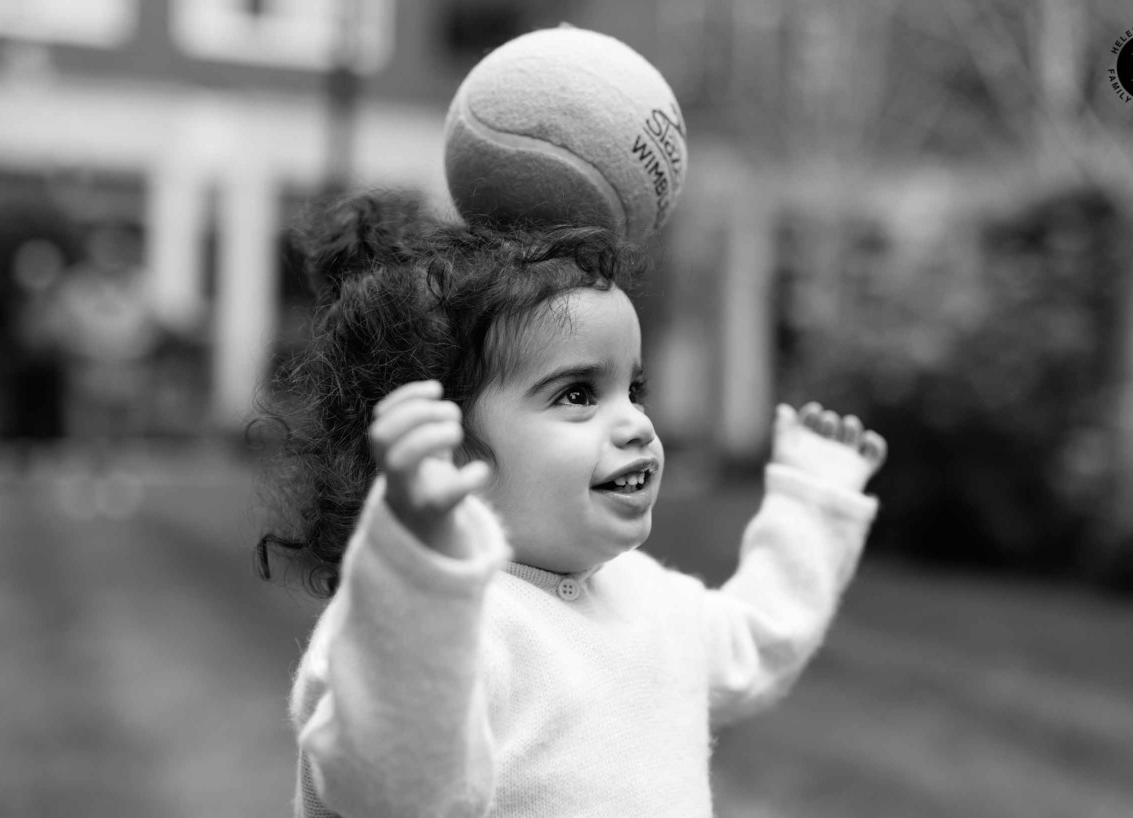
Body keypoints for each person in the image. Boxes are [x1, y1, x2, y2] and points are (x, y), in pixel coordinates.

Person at [254, 192, 887, 818]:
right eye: (579, 393)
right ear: (448, 453)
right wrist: (413, 572)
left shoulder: (648, 600)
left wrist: (813, 504)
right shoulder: (414, 624)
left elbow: (758, 641)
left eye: (633, 388)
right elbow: (395, 791)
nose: (636, 422)